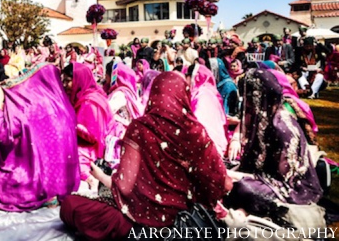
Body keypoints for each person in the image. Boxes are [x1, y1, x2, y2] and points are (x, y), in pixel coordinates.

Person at [60, 72, 229, 240]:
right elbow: (218, 182)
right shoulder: (196, 132)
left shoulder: (139, 128)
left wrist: (101, 178)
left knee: (71, 206)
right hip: (186, 221)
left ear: (153, 94)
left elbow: (124, 187)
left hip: (138, 221)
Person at [0, 63, 80, 211]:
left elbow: (2, 137)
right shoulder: (63, 106)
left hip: (31, 184)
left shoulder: (28, 108)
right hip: (61, 181)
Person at [226, 69, 323, 221]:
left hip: (294, 190)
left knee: (243, 188)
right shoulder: (265, 119)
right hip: (265, 179)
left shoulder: (281, 128)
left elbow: (285, 181)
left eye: (249, 99)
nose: (247, 105)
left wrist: (237, 176)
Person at [61, 62, 113, 187]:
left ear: (79, 79)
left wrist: (70, 125)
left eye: (68, 81)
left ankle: (91, 179)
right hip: (85, 142)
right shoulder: (85, 95)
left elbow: (93, 136)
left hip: (92, 149)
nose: (64, 85)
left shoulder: (90, 102)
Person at [187, 63, 228, 157]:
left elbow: (198, 124)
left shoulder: (203, 95)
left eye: (187, 76)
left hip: (207, 148)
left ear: (194, 77)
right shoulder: (207, 92)